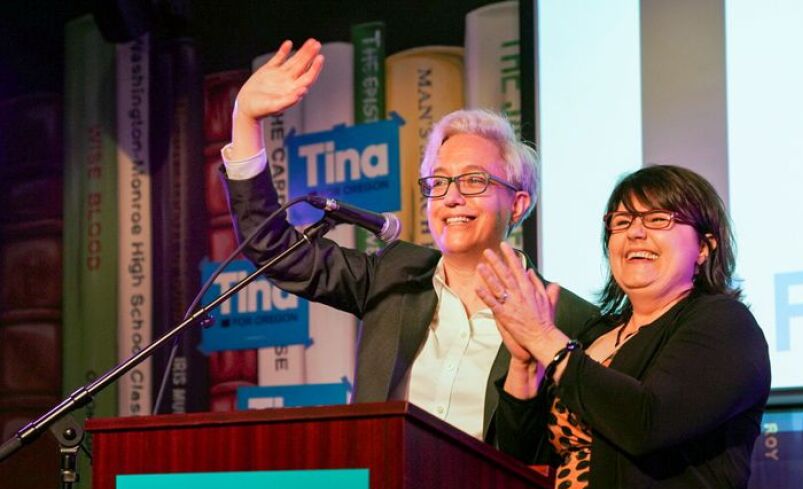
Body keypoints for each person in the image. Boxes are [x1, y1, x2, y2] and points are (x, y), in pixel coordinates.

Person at [220, 39, 596, 441]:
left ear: (518, 204)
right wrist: (246, 121)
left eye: (473, 180)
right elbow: (275, 251)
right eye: (439, 181)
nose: (451, 196)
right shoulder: (393, 277)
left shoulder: (570, 320)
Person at [476, 165, 771, 489]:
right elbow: (520, 463)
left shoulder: (723, 325)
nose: (634, 231)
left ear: (705, 246)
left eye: (658, 219)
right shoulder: (592, 336)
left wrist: (546, 339)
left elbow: (647, 422)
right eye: (621, 221)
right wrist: (523, 364)